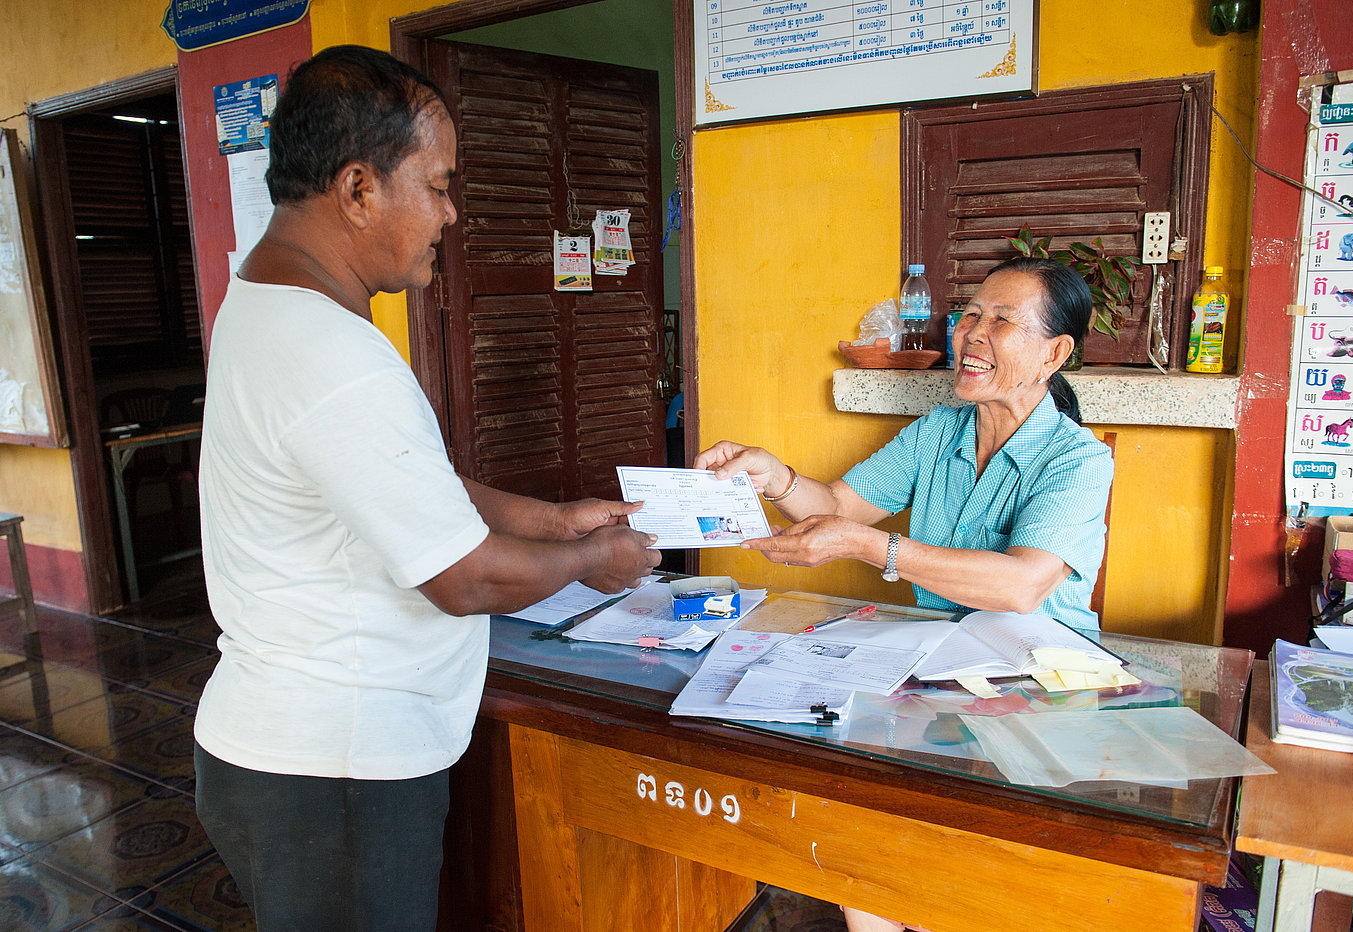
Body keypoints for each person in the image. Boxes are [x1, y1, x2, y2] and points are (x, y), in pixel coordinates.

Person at [192, 45, 660, 932]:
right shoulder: (335, 354)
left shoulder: (262, 299)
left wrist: (555, 519)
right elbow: (465, 579)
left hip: (286, 748)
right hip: (335, 770)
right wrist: (597, 557)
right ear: (360, 189)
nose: (451, 213)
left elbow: (407, 484)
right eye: (439, 185)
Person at [698, 258, 1113, 930]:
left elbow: (1021, 585)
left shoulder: (1077, 460)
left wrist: (873, 549)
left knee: (958, 869)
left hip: (1039, 689)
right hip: (934, 675)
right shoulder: (938, 433)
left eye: (1002, 321)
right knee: (864, 836)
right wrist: (772, 475)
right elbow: (837, 503)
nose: (974, 333)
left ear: (1055, 353)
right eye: (971, 315)